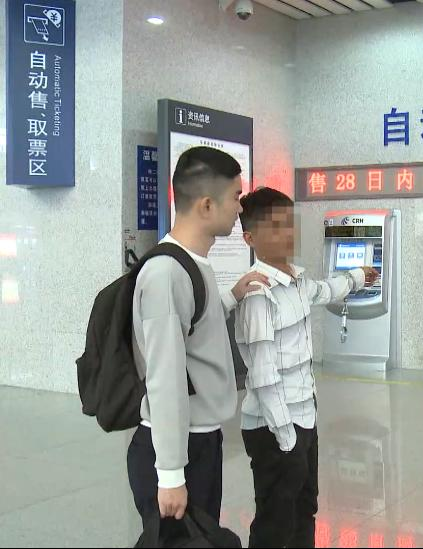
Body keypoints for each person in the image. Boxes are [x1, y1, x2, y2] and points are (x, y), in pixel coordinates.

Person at [127, 147, 268, 524]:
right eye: (236, 197)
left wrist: (231, 296)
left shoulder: (192, 264)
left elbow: (192, 327)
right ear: (207, 205)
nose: (240, 208)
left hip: (201, 439)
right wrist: (171, 474)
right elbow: (165, 379)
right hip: (178, 449)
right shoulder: (166, 273)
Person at [234, 187, 378, 548]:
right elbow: (264, 378)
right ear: (250, 238)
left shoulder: (297, 281)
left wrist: (358, 276)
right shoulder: (258, 294)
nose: (287, 233)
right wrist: (287, 441)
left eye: (289, 224)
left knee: (304, 507)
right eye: (275, 227)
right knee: (275, 519)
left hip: (303, 417)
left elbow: (326, 290)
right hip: (273, 427)